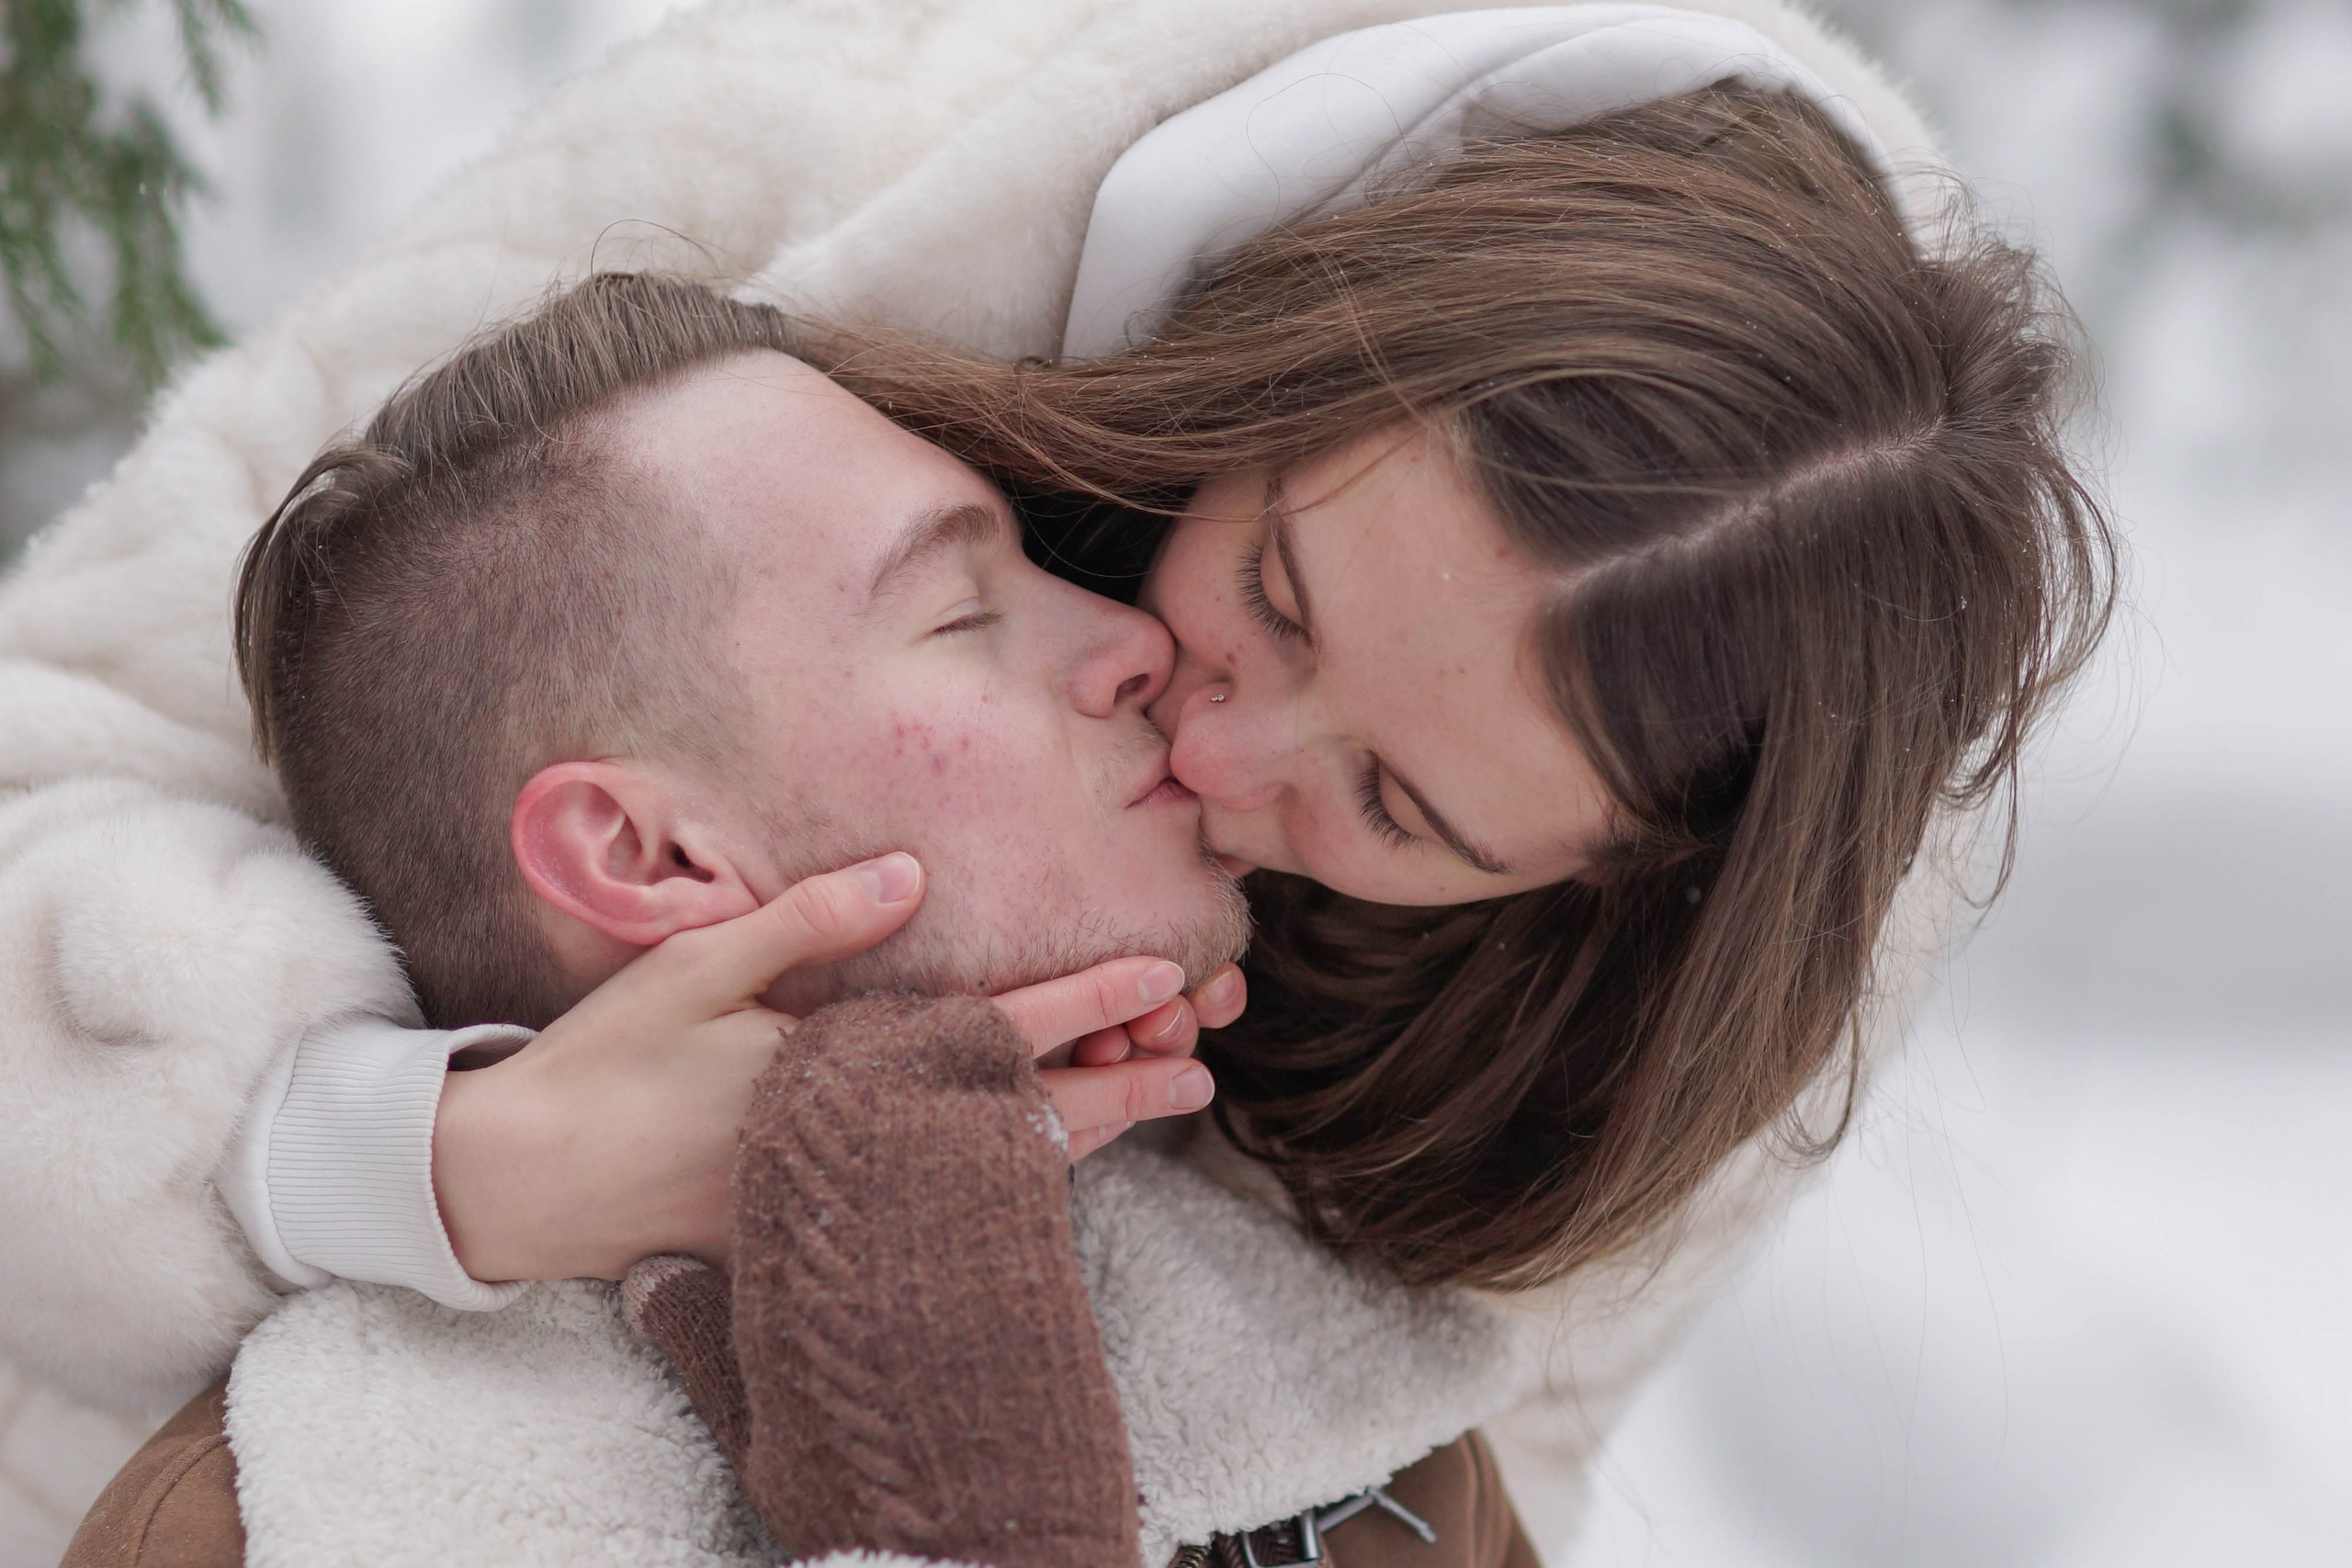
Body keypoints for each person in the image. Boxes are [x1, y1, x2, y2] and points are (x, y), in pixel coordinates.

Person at [0, 0, 2111, 1558]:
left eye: (1395, 809)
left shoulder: (1696, 977)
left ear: (1604, 885)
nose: (1208, 742)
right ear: (1265, 360)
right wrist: (450, 1163)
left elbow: (1473, 1423)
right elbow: (60, 795)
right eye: (1270, 589)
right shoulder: (808, 172)